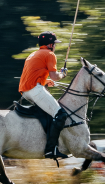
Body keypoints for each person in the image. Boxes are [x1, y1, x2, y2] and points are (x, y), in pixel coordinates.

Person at [18, 31, 69, 159]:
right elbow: (54, 76)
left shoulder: (33, 54)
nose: (55, 46)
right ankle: (51, 150)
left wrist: (45, 81)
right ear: (50, 44)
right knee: (61, 115)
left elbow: (32, 75)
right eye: (54, 44)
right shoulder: (49, 54)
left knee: (49, 114)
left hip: (25, 91)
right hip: (35, 90)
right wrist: (62, 74)